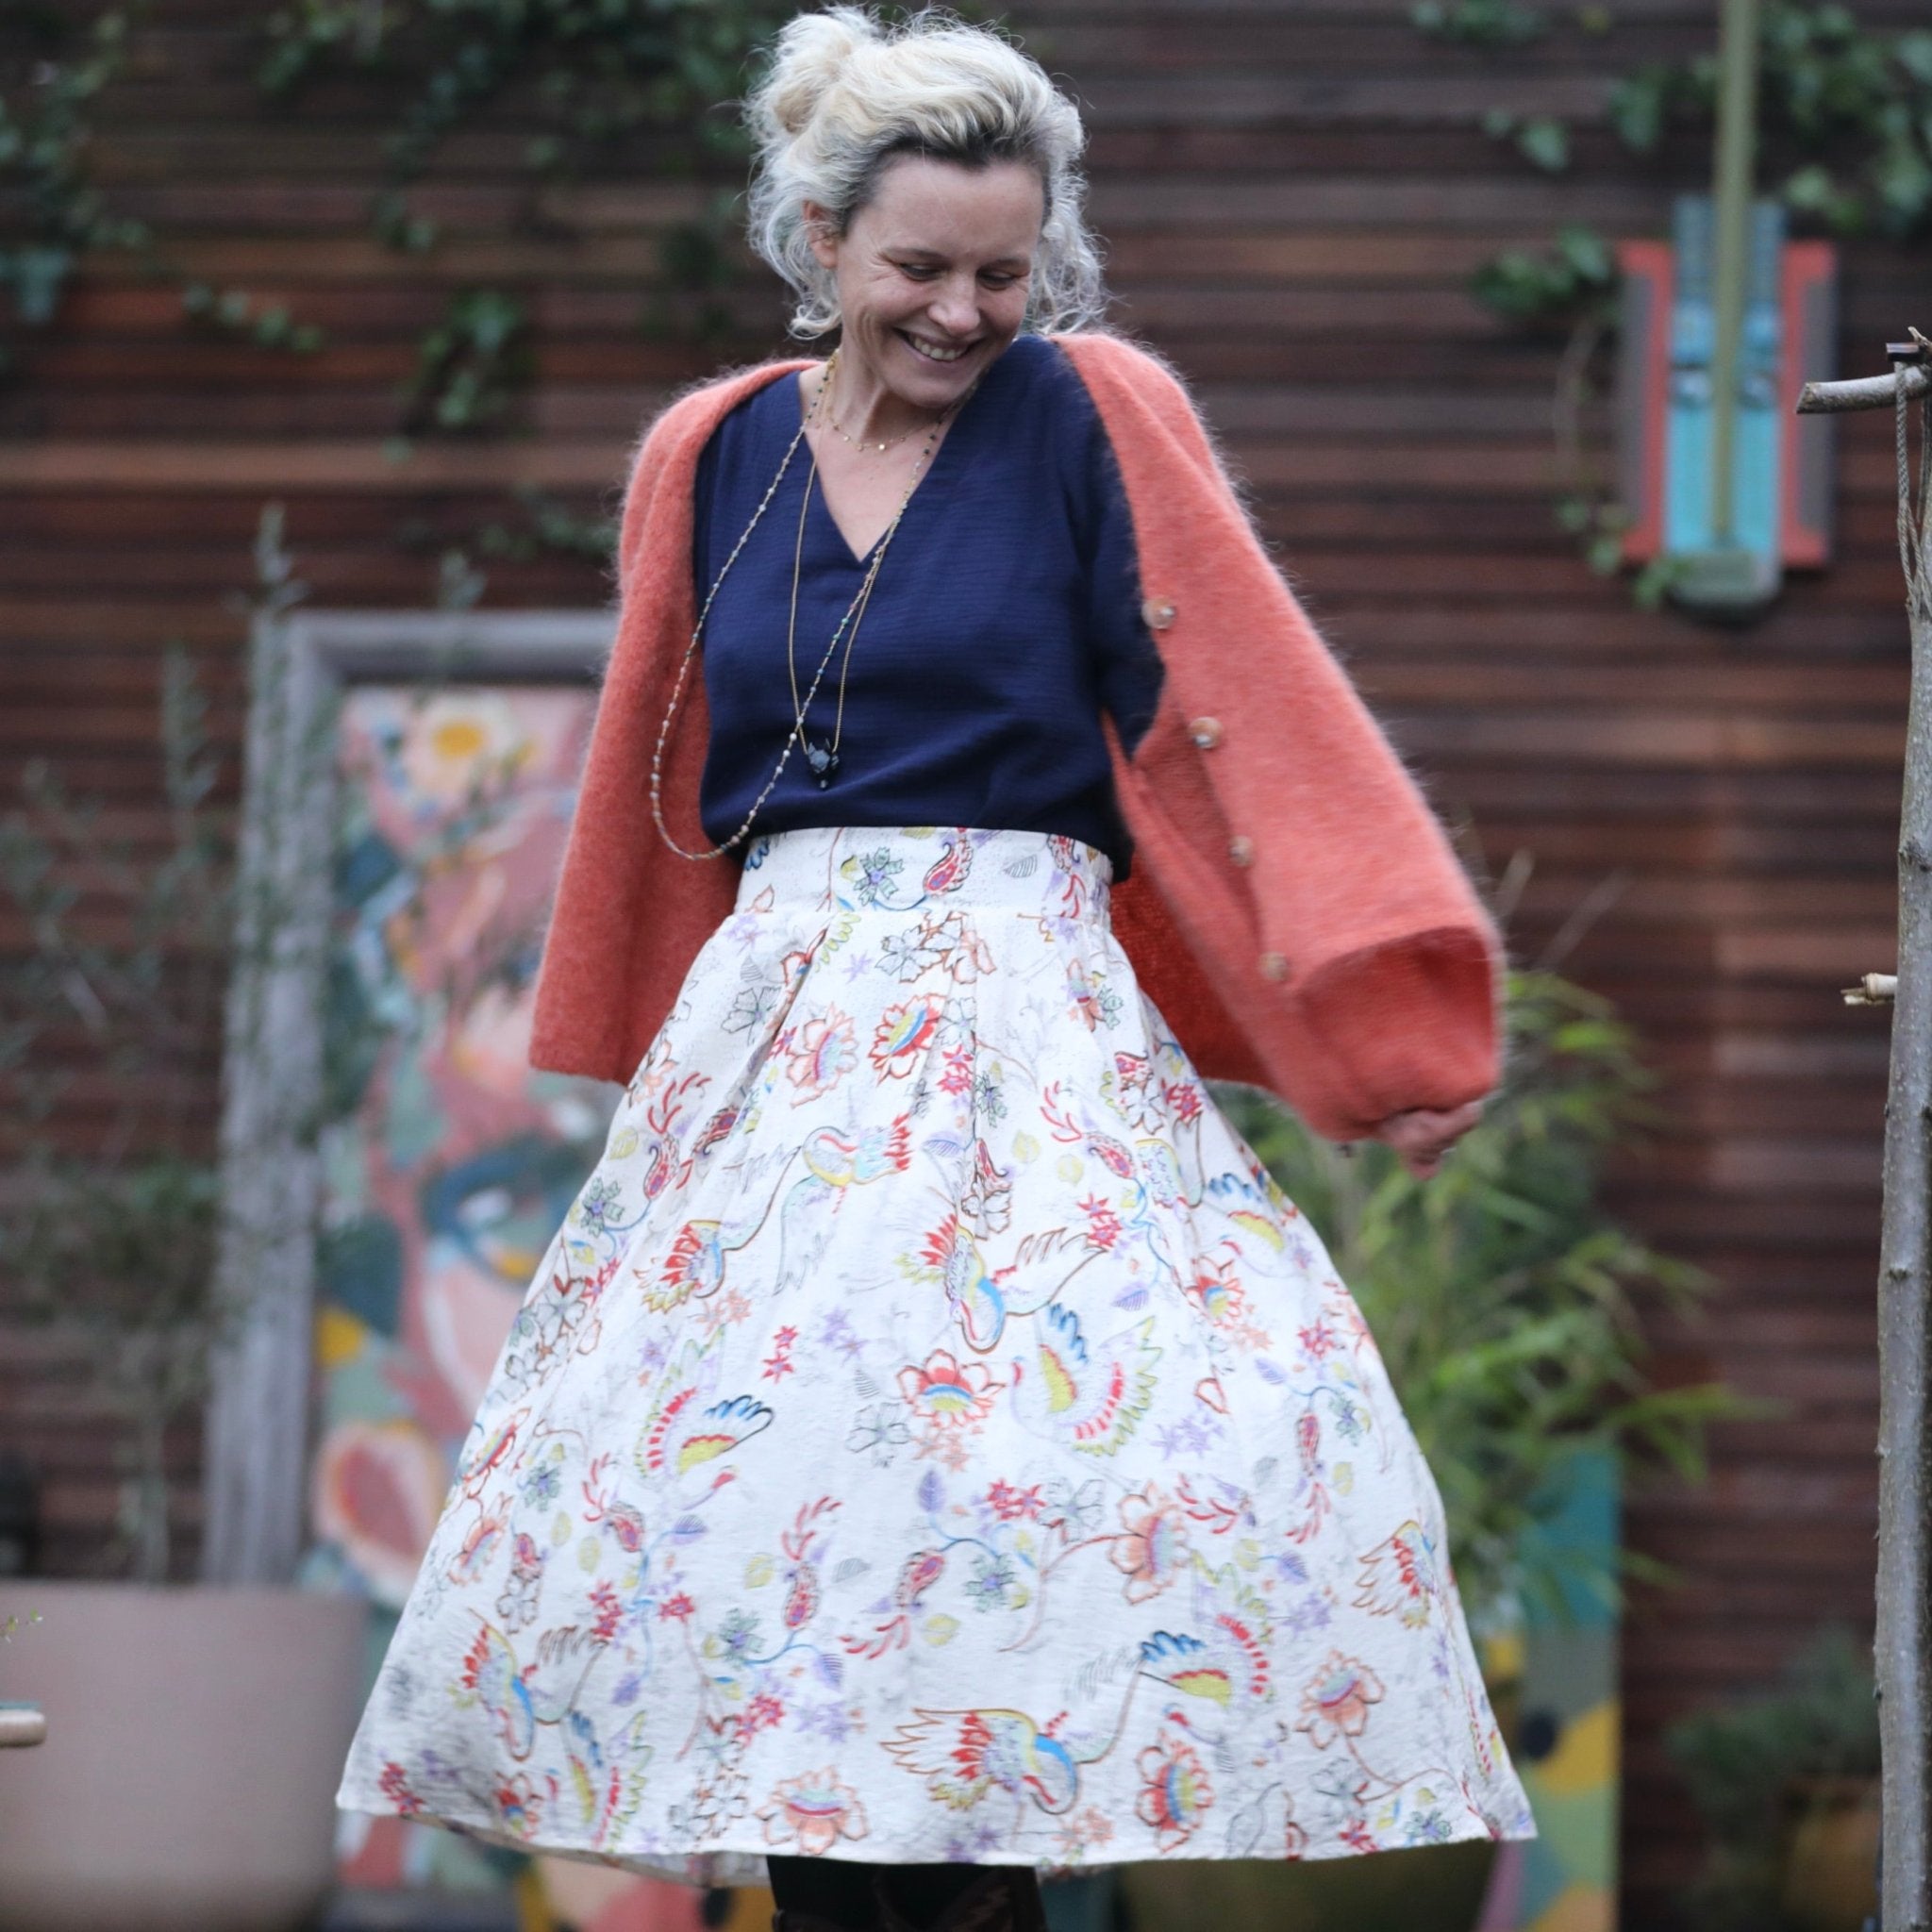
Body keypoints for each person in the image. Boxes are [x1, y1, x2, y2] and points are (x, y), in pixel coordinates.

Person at [336, 9, 1536, 1929]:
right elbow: (664, 763)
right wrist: (644, 1032)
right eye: (919, 267)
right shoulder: (711, 452)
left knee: (1027, 1527)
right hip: (775, 1049)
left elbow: (1240, 708)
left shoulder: (1089, 411)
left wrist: (1380, 1030)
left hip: (1021, 1033)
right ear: (821, 240)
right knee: (772, 1542)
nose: (965, 311)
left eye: (1004, 270)